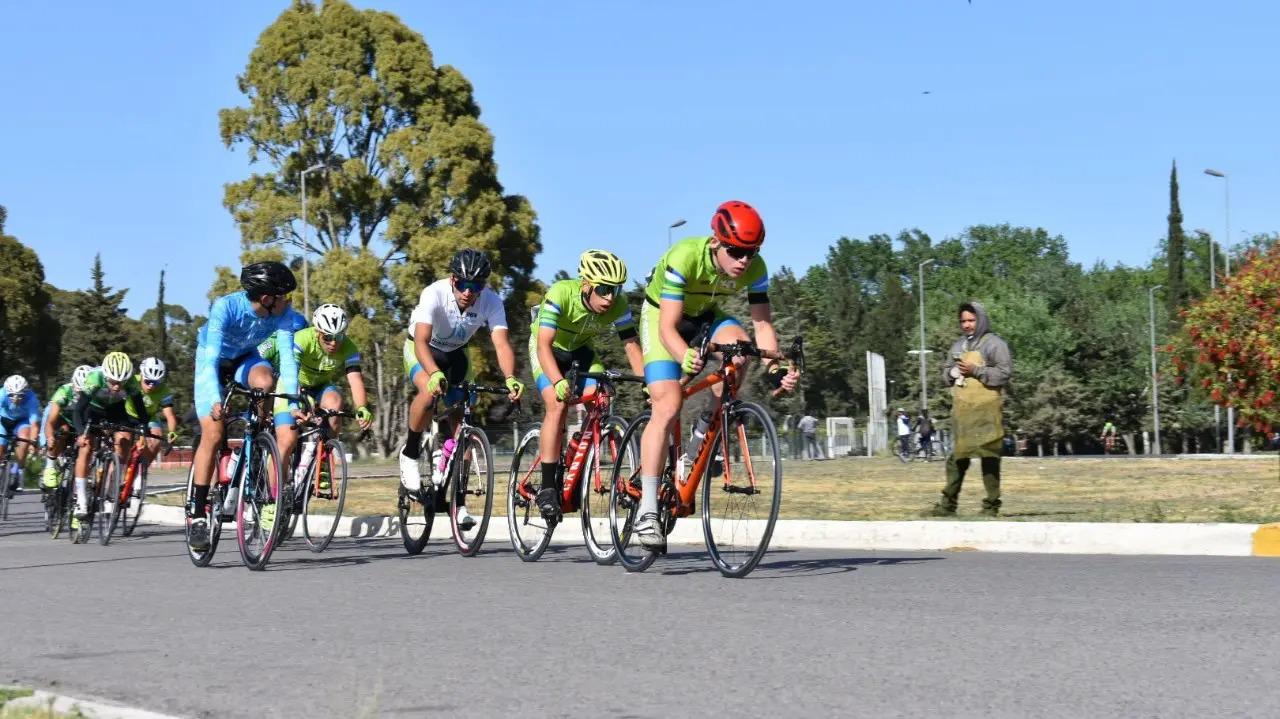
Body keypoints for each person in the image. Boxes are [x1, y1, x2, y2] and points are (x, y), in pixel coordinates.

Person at [635, 200, 800, 549]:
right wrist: (685, 357)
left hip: (706, 315)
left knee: (741, 351)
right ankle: (647, 511)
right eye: (736, 251)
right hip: (663, 318)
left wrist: (777, 367)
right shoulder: (685, 256)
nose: (743, 261)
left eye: (751, 253)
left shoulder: (756, 269)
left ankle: (703, 429)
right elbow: (667, 327)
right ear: (716, 242)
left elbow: (762, 326)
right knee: (667, 405)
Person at [398, 248, 524, 531]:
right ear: (452, 279)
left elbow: (501, 343)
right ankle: (411, 452)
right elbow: (420, 342)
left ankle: (459, 502)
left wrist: (510, 377)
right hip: (423, 350)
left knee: (463, 426)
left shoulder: (491, 301)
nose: (469, 292)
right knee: (429, 393)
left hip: (456, 354)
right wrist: (432, 374)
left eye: (476, 286)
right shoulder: (434, 293)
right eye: (463, 284)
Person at [188, 261, 301, 551]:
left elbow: (287, 362)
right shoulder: (226, 307)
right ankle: (197, 515)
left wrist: (293, 399)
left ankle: (257, 434)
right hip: (212, 361)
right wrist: (215, 399)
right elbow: (212, 359)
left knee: (265, 381)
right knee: (213, 435)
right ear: (266, 298)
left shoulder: (283, 314)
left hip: (244, 358)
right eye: (283, 295)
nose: (287, 301)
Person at [529, 249, 644, 523]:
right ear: (586, 284)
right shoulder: (561, 294)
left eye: (616, 290)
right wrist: (557, 381)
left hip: (581, 352)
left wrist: (647, 384)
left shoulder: (618, 304)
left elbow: (631, 345)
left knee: (602, 396)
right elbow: (544, 345)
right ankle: (546, 487)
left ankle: (577, 451)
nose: (610, 297)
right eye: (603, 289)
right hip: (548, 350)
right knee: (556, 406)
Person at [260, 303, 373, 487]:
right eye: (328, 337)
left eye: (339, 336)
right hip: (292, 384)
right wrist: (294, 406)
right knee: (287, 441)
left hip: (319, 386)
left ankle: (324, 462)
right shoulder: (302, 339)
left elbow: (355, 380)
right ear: (317, 332)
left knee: (336, 404)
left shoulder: (349, 348)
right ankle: (271, 501)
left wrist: (362, 408)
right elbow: (290, 375)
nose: (334, 343)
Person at [925, 301, 1013, 517]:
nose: (967, 325)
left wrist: (975, 370)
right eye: (963, 321)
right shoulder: (957, 347)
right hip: (963, 411)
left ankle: (991, 506)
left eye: (971, 320)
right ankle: (947, 505)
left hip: (988, 410)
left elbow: (1004, 373)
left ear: (980, 320)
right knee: (957, 458)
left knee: (989, 458)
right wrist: (952, 373)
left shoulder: (994, 344)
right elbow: (945, 376)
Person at [70, 353, 149, 521]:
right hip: (92, 409)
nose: (116, 386)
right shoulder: (95, 378)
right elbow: (78, 410)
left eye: (121, 383)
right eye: (113, 382)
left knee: (126, 438)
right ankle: (81, 500)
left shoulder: (132, 383)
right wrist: (80, 432)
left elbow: (140, 410)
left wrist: (143, 427)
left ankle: (111, 489)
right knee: (86, 447)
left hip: (115, 410)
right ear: (106, 376)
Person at [125, 357, 179, 505]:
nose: (151, 385)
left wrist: (172, 433)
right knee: (123, 442)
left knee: (156, 438)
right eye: (147, 381)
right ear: (141, 375)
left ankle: (139, 475)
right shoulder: (132, 381)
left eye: (155, 382)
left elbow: (170, 416)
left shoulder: (164, 391)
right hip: (128, 414)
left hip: (149, 416)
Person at [40, 365, 93, 490]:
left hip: (82, 425)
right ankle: (50, 466)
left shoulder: (94, 392)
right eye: (78, 391)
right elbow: (50, 421)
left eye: (83, 392)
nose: (80, 395)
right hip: (64, 422)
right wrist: (49, 437)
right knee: (63, 430)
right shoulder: (64, 391)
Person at [1, 374, 41, 496]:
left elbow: (34, 424)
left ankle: (16, 470)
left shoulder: (32, 399)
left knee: (24, 439)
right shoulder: (1, 394)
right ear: (7, 392)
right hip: (3, 420)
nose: (16, 399)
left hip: (21, 422)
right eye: (12, 395)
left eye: (20, 396)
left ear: (25, 392)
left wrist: (33, 442)